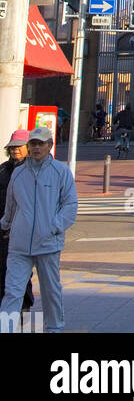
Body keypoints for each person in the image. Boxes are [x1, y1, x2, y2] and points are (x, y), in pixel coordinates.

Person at [0, 127, 77, 333]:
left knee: (50, 289)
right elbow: (11, 205)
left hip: (48, 243)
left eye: (40, 143)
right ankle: (6, 329)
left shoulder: (60, 172)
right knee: (13, 291)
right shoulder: (18, 173)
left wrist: (54, 227)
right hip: (19, 244)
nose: (35, 147)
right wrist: (6, 225)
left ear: (49, 146)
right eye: (32, 143)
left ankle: (54, 327)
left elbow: (70, 206)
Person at [0, 131, 34, 319]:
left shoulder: (33, 170)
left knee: (21, 270)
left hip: (24, 229)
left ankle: (24, 306)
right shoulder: (3, 170)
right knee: (3, 268)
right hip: (3, 228)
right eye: (12, 147)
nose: (15, 150)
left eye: (19, 147)